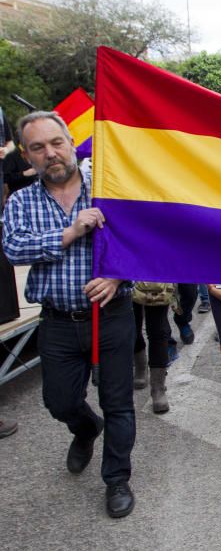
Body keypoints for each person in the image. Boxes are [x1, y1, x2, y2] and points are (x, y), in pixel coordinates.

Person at [2, 111, 136, 518]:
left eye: (56, 143)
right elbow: (13, 249)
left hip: (111, 316)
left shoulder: (108, 190)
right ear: (27, 154)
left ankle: (116, 480)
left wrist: (116, 276)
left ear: (70, 142)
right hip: (57, 321)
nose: (51, 154)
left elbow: (142, 245)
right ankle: (84, 428)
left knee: (118, 403)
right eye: (38, 147)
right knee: (59, 401)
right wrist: (71, 232)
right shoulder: (23, 200)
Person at [132, 281, 175, 413]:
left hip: (157, 272)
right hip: (127, 274)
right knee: (132, 328)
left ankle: (158, 387)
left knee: (158, 330)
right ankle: (140, 366)